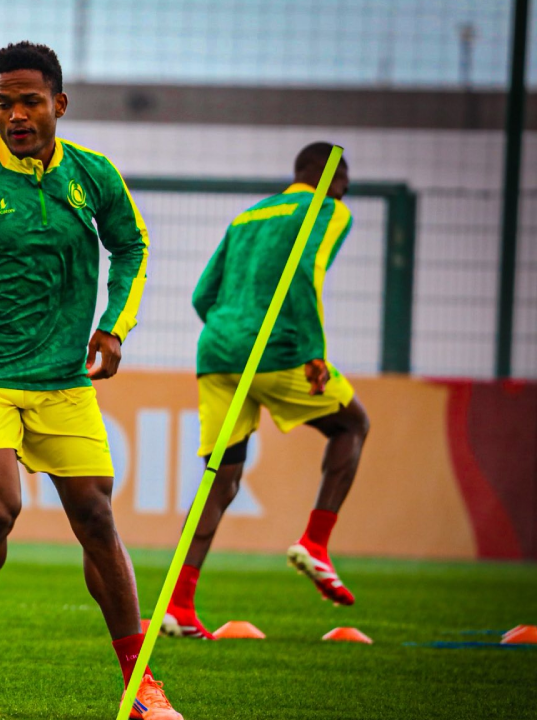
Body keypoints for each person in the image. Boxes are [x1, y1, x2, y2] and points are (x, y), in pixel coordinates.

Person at [0, 41, 182, 720]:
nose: (15, 115)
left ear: (58, 104)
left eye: (29, 100)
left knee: (95, 515)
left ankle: (139, 681)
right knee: (0, 507)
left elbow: (133, 246)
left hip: (65, 379)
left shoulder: (93, 176)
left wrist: (114, 326)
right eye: (4, 103)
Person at [162, 143, 369, 640]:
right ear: (330, 177)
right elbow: (304, 273)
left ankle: (179, 606)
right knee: (352, 423)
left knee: (220, 480)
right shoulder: (328, 209)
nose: (346, 189)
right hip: (278, 348)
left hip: (216, 352)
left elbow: (201, 296)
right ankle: (316, 543)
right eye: (345, 180)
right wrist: (313, 351)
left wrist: (231, 334)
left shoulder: (249, 215)